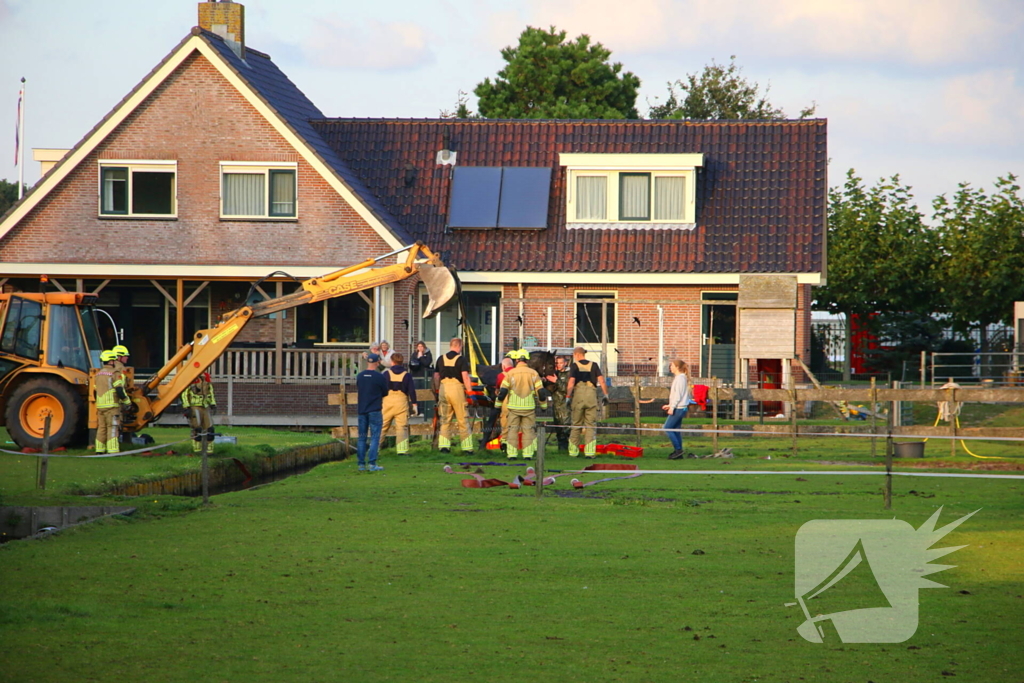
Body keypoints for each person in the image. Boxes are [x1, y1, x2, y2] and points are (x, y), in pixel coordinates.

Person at [496, 350, 550, 459]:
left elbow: (502, 392)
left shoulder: (510, 373)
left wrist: (497, 405)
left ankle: (512, 455)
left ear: (516, 360)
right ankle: (528, 455)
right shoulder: (533, 373)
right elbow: (541, 392)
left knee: (512, 430)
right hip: (528, 408)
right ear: (527, 360)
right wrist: (544, 406)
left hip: (513, 408)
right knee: (528, 431)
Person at [433, 337, 475, 454]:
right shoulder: (461, 359)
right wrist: (470, 392)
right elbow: (465, 377)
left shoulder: (440, 359)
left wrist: (437, 390)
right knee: (462, 419)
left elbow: (436, 376)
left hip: (443, 388)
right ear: (459, 346)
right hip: (456, 389)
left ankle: (444, 447)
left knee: (445, 419)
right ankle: (467, 449)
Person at [566, 347, 609, 458]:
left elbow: (571, 382)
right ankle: (589, 453)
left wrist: (568, 396)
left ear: (576, 354)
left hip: (578, 397)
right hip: (591, 396)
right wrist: (606, 395)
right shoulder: (594, 365)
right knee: (590, 425)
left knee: (576, 425)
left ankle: (573, 452)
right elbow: (602, 381)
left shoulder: (574, 366)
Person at [356, 353, 389, 472]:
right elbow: (385, 392)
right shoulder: (380, 377)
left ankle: (361, 464)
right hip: (374, 409)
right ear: (377, 362)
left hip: (362, 410)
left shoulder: (360, 376)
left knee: (361, 437)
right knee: (375, 437)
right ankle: (372, 463)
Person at [380, 352, 418, 455]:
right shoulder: (407, 375)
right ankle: (402, 451)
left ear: (392, 362)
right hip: (401, 402)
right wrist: (414, 404)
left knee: (382, 426)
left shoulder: (386, 374)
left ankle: (374, 450)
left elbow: (380, 389)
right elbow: (411, 391)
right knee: (402, 427)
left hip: (388, 402)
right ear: (402, 363)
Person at [93, 350, 127, 454]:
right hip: (112, 406)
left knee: (101, 428)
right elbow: (119, 389)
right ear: (111, 361)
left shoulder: (98, 375)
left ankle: (99, 450)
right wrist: (126, 401)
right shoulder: (114, 373)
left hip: (100, 406)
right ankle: (113, 451)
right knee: (112, 428)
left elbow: (95, 391)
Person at [182, 372, 217, 455]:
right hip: (194, 406)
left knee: (210, 428)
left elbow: (210, 393)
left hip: (205, 407)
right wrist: (186, 407)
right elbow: (184, 394)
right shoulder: (191, 381)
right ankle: (197, 450)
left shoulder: (207, 382)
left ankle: (209, 450)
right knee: (196, 427)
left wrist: (213, 404)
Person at [663, 360, 691, 460]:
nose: (670, 367)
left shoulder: (680, 379)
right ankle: (678, 453)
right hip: (680, 407)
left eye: (672, 366)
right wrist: (670, 405)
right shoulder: (680, 378)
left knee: (667, 428)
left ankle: (678, 449)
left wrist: (672, 407)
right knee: (676, 430)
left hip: (678, 408)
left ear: (677, 367)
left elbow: (678, 395)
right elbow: (677, 395)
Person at [546, 355, 571, 453]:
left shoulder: (569, 374)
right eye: (557, 363)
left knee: (566, 429)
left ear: (565, 363)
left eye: (561, 363)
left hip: (565, 406)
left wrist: (556, 381)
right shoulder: (554, 374)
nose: (559, 365)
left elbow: (567, 389)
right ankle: (561, 450)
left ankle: (568, 449)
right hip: (556, 406)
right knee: (558, 429)